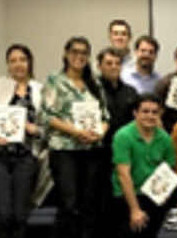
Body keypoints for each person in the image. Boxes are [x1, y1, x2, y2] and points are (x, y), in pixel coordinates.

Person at [39, 37, 109, 238]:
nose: (79, 56)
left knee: (89, 203)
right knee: (68, 204)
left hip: (91, 150)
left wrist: (101, 132)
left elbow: (105, 116)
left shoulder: (94, 81)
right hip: (64, 150)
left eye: (84, 53)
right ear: (66, 54)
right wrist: (75, 132)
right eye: (74, 52)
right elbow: (45, 116)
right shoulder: (55, 80)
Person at [0, 45, 45, 238]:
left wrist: (36, 130)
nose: (18, 64)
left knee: (20, 215)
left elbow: (48, 125)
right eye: (13, 60)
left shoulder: (41, 90)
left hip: (26, 158)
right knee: (2, 213)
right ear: (7, 64)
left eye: (22, 59)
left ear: (29, 62)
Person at [111, 93, 177, 238]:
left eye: (154, 112)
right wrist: (135, 210)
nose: (150, 116)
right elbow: (123, 175)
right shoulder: (123, 136)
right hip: (128, 195)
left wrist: (164, 193)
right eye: (145, 111)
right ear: (135, 113)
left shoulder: (165, 138)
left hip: (152, 194)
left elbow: (169, 169)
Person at [97, 47, 141, 236]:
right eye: (108, 63)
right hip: (99, 155)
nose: (113, 67)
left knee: (123, 202)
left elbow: (138, 121)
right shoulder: (92, 91)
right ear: (99, 66)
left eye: (117, 63)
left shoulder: (131, 92)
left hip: (125, 156)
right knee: (100, 203)